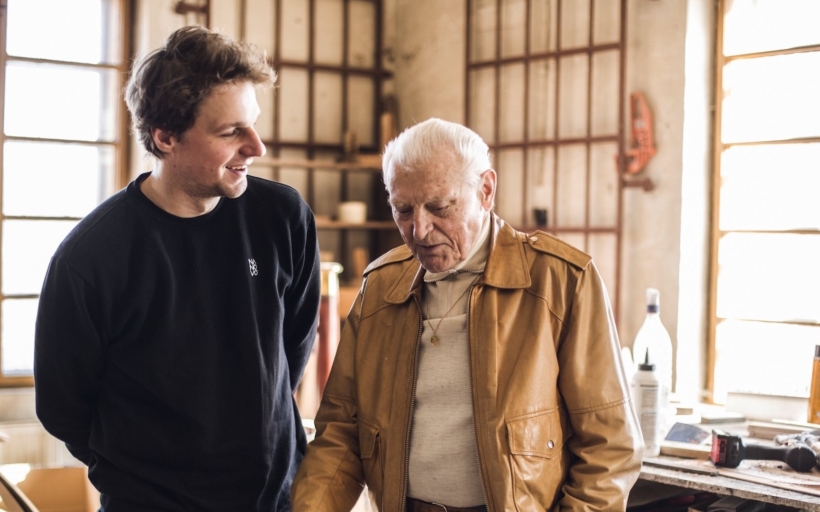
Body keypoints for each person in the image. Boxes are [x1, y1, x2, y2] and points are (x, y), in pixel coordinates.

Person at [34, 26, 321, 511]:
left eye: (253, 124)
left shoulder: (283, 217)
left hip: (275, 501)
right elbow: (64, 409)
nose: (257, 147)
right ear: (166, 137)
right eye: (231, 132)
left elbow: (294, 348)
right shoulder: (90, 258)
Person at [291, 118, 642, 511]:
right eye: (402, 209)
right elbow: (341, 434)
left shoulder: (559, 282)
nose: (419, 230)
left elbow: (609, 448)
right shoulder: (380, 289)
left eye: (439, 207)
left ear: (485, 190)